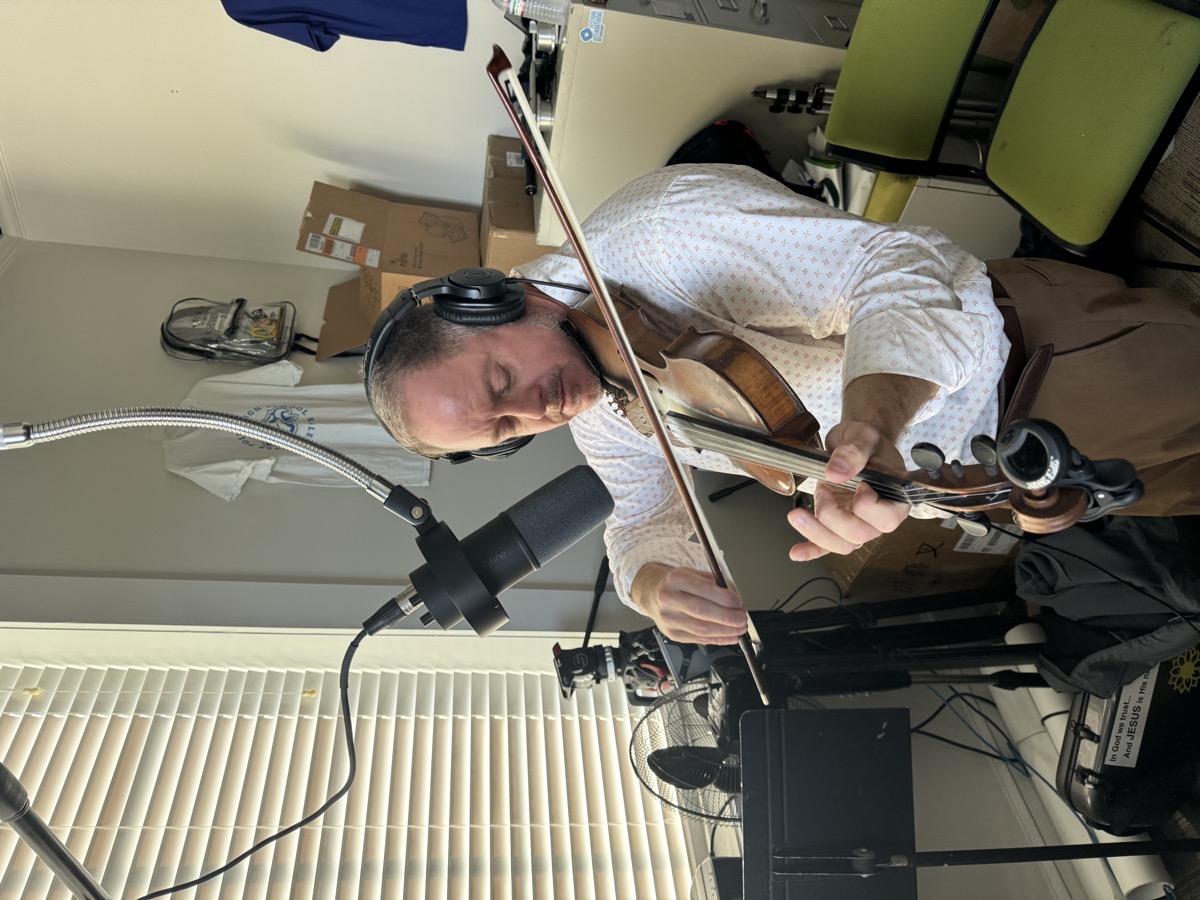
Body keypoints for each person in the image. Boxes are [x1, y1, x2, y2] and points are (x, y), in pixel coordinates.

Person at [365, 164, 1200, 646]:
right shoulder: (596, 404)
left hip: (1045, 367)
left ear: (492, 300)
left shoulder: (658, 235)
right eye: (507, 428)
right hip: (996, 480)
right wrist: (655, 586)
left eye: (500, 386)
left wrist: (870, 422)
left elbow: (896, 271)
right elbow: (640, 510)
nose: (536, 411)